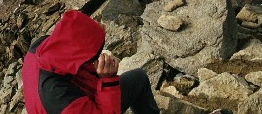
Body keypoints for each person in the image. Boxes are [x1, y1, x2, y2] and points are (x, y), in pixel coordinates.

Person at [22, 9, 159, 114]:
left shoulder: (41, 47)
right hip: (69, 108)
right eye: (93, 57)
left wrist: (92, 30)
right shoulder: (58, 97)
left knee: (137, 79)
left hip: (73, 101)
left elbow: (72, 35)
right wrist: (108, 80)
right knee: (138, 79)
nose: (94, 59)